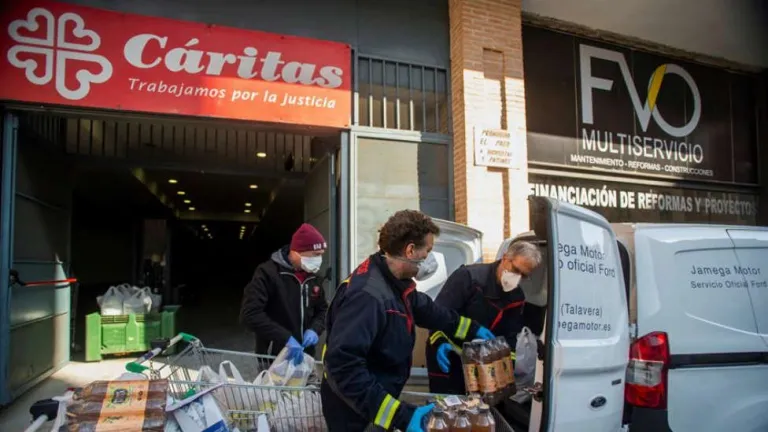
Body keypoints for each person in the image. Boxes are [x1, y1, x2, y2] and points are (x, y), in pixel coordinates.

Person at [321, 210, 495, 432]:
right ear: (410, 250)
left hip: (374, 399)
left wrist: (471, 329)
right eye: (428, 251)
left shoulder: (393, 280)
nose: (431, 258)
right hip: (356, 411)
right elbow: (343, 367)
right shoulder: (368, 296)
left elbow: (429, 310)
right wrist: (401, 416)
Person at [426, 240, 545, 395]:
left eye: (523, 275)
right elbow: (438, 314)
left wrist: (507, 366)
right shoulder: (468, 277)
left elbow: (510, 337)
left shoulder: (516, 297)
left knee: (477, 406)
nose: (517, 278)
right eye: (515, 270)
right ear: (505, 258)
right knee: (447, 403)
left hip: (481, 364)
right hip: (448, 354)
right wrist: (439, 341)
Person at [240, 223, 328, 364]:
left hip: (305, 356)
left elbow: (322, 310)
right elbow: (250, 314)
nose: (319, 259)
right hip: (274, 357)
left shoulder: (313, 278)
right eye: (315, 254)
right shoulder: (267, 273)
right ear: (296, 252)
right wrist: (285, 338)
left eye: (321, 255)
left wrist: (314, 329)